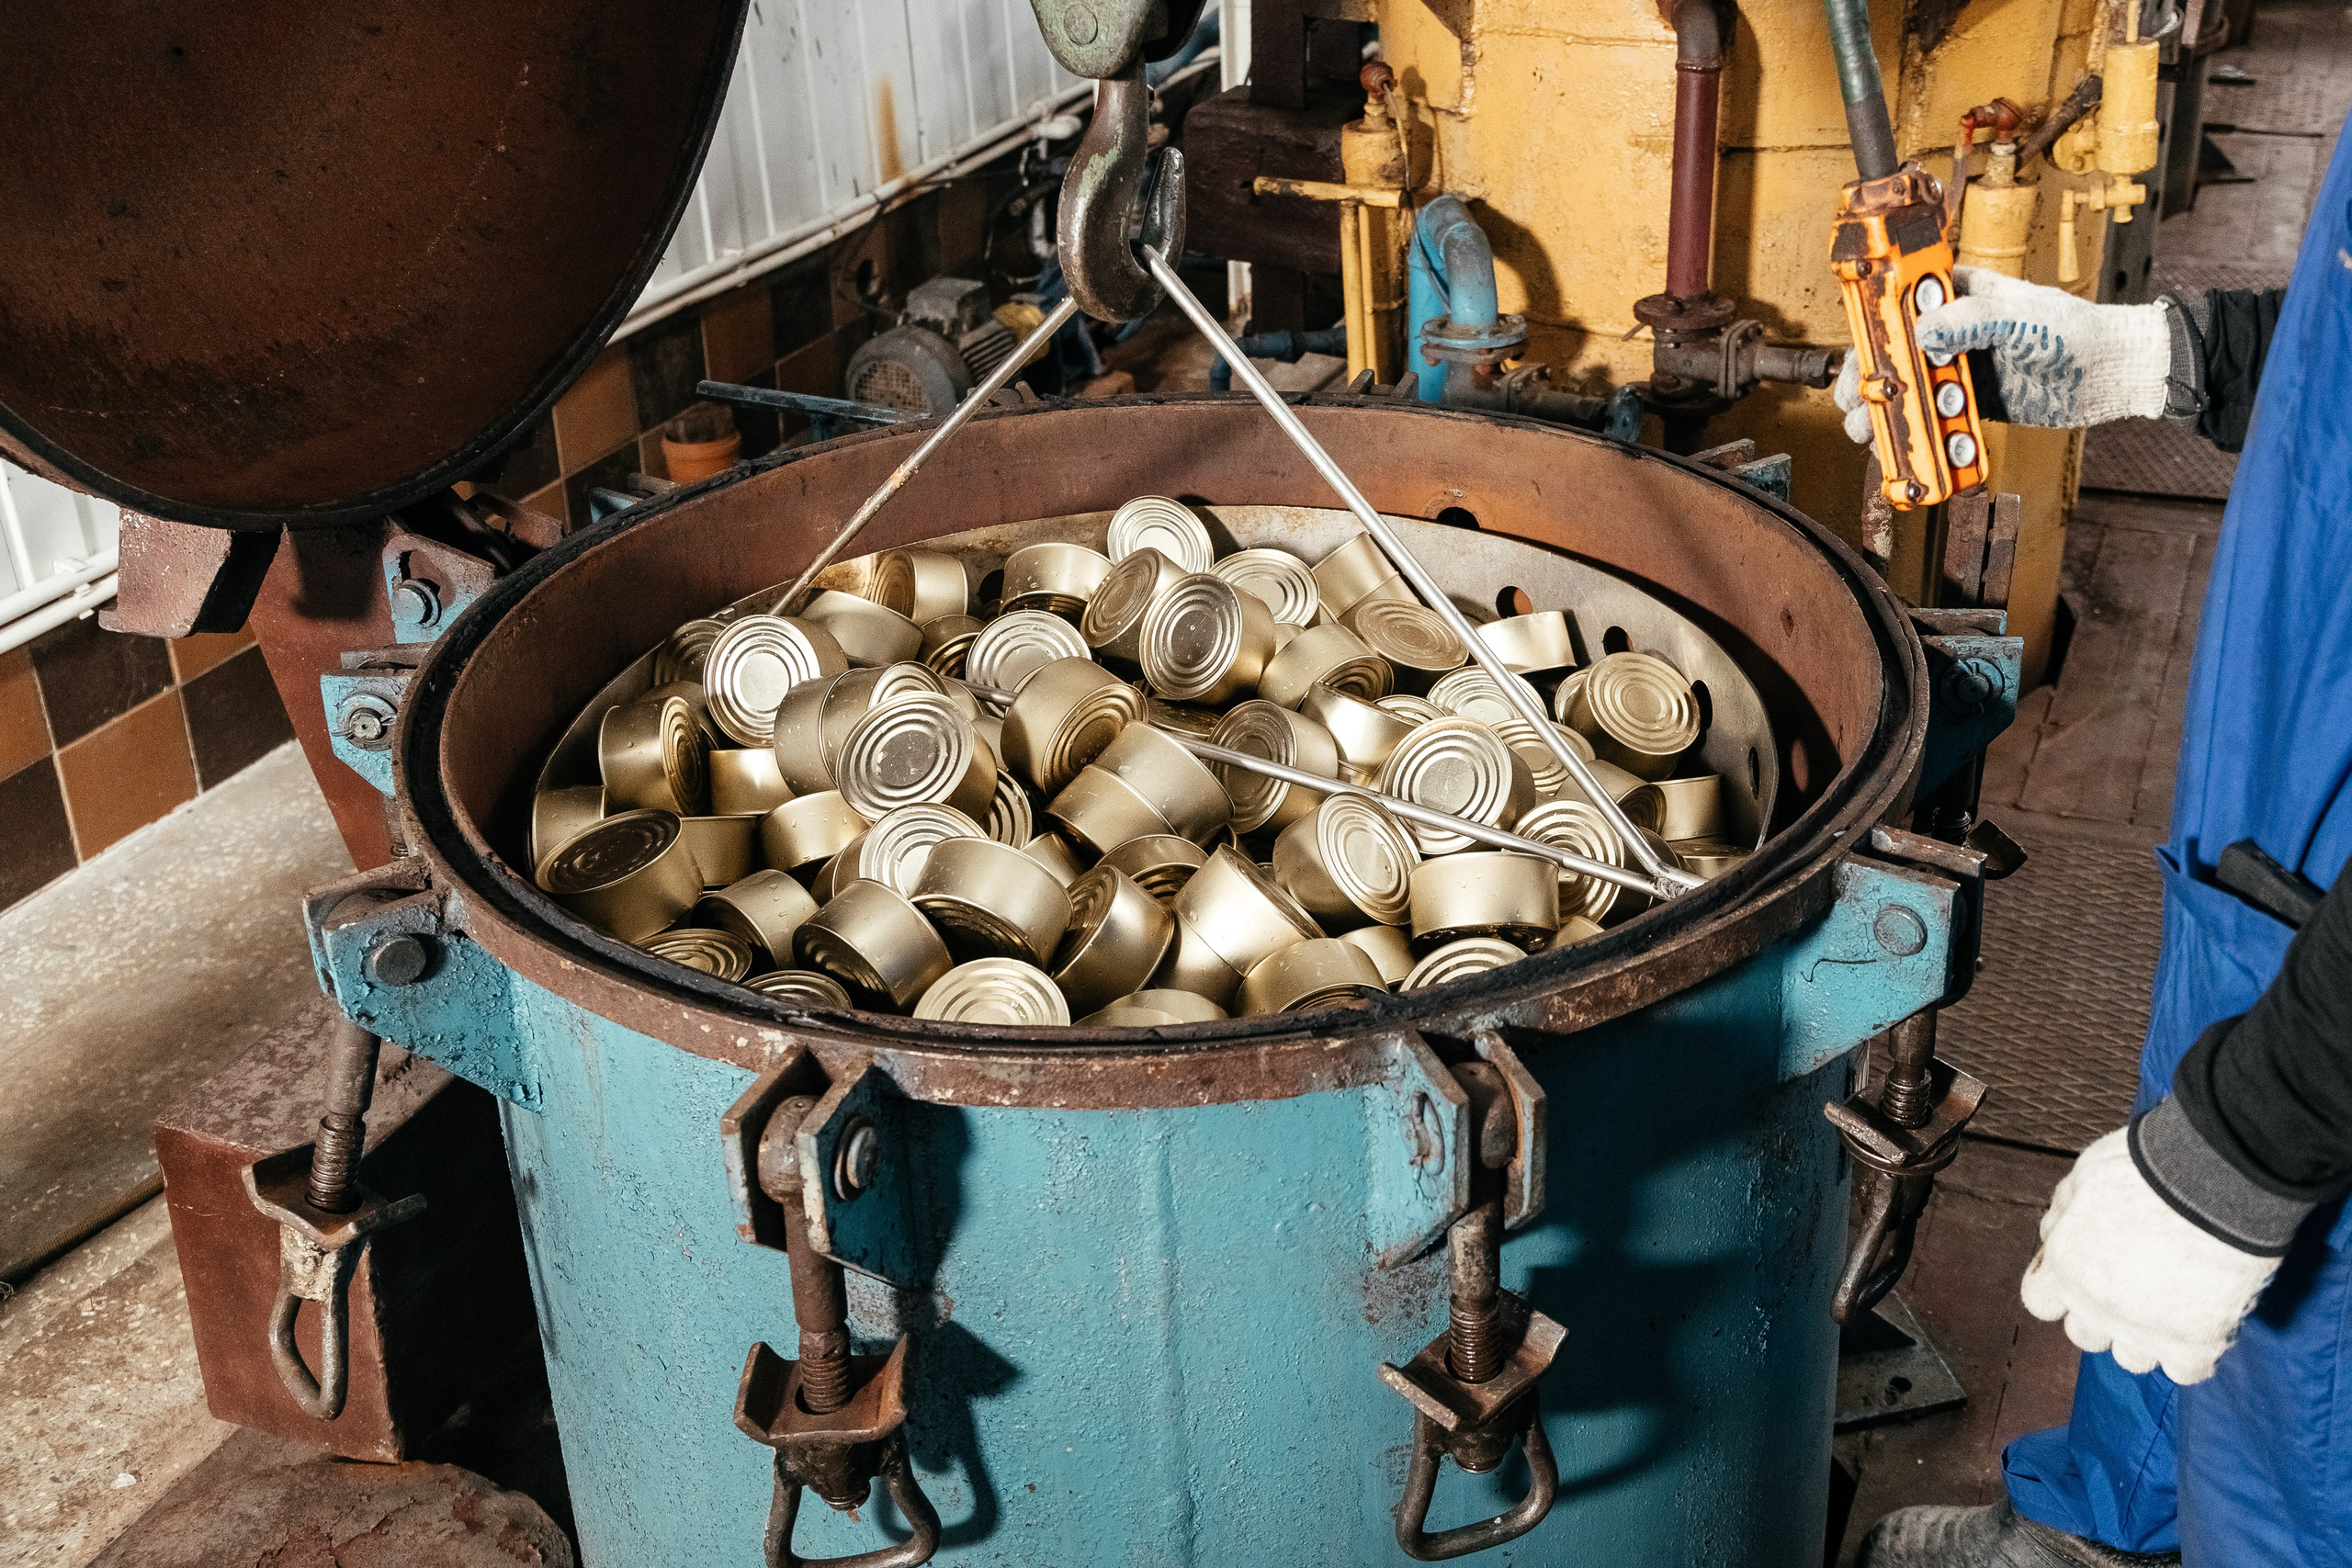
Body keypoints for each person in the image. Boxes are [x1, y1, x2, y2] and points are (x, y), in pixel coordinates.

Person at [1832, 134, 2352, 1568]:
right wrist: (2169, 357)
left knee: (2305, 1430)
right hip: (2288, 785)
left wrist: (2256, 1138)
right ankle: (2108, 1524)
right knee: (2207, 1062)